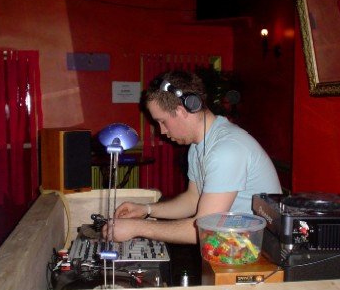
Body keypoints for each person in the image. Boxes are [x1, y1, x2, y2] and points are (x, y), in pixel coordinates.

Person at [102, 69, 282, 244]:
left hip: (258, 255)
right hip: (232, 247)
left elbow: (206, 230)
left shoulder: (227, 149)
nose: (162, 131)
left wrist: (137, 227)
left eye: (162, 121)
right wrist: (146, 209)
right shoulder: (198, 146)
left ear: (182, 111)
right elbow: (193, 199)